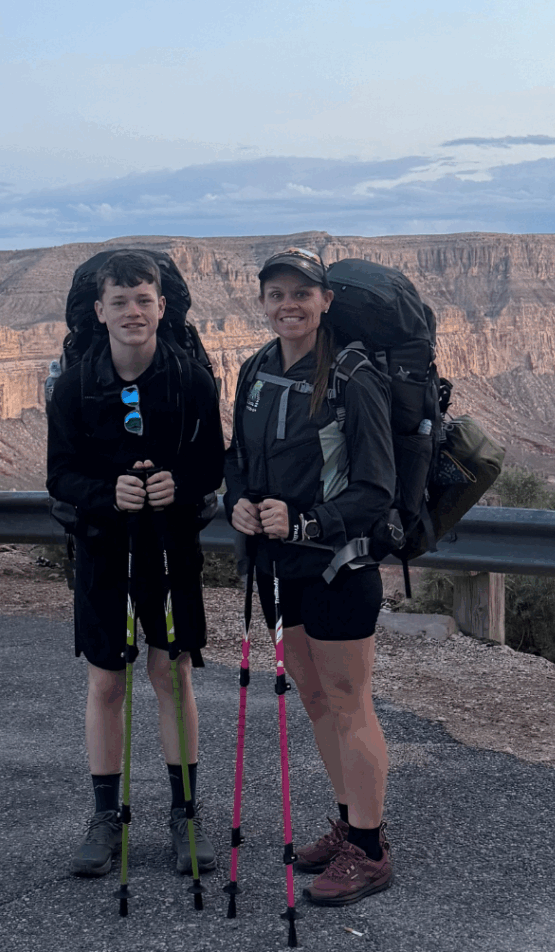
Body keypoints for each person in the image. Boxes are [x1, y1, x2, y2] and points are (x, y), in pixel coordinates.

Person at [223, 247, 395, 906]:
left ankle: (371, 851)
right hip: (275, 567)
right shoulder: (256, 369)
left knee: (350, 702)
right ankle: (351, 824)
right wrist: (234, 501)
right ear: (263, 303)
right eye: (276, 294)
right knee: (317, 700)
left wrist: (304, 523)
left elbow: (375, 488)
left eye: (302, 293)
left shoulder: (353, 378)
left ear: (325, 301)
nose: (288, 305)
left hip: (337, 565)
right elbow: (239, 456)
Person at [46, 250, 224, 878]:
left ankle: (186, 813)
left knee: (172, 675)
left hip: (171, 553)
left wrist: (179, 482)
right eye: (119, 302)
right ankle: (104, 816)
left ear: (161, 306)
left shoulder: (192, 381)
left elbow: (213, 467)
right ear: (99, 312)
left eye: (143, 300)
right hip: (103, 552)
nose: (132, 312)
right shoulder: (74, 385)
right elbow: (60, 474)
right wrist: (107, 493)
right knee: (106, 682)